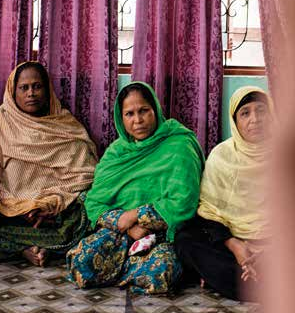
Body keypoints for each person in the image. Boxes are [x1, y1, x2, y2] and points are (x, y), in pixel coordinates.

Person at [66, 81, 204, 295]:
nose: (138, 120)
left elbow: (184, 202)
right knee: (82, 262)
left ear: (156, 110)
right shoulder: (117, 152)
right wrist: (128, 225)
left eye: (144, 111)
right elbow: (94, 201)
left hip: (163, 234)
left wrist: (137, 215)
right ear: (121, 119)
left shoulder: (179, 145)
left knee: (161, 272)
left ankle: (117, 272)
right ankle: (130, 273)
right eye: (129, 114)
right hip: (122, 229)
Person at [0, 61, 97, 267]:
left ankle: (29, 247)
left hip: (58, 210)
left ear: (47, 90)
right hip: (13, 209)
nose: (31, 93)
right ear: (13, 92)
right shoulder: (0, 123)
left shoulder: (66, 124)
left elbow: (86, 174)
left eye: (37, 86)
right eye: (24, 88)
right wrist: (22, 207)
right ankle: (30, 249)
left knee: (87, 210)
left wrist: (53, 203)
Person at [175, 86, 273, 301]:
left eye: (261, 110)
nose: (255, 119)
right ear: (234, 121)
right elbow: (209, 212)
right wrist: (236, 245)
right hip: (231, 242)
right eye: (245, 113)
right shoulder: (222, 155)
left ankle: (236, 281)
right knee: (185, 238)